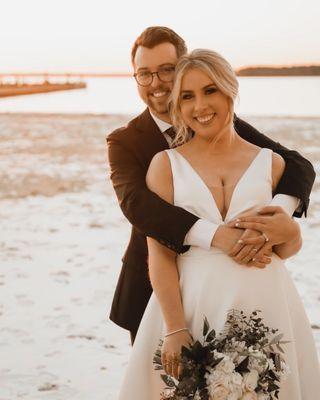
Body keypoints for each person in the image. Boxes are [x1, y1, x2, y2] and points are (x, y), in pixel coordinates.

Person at [116, 48, 320, 399]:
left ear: (230, 90)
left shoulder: (272, 164)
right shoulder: (164, 166)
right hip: (192, 306)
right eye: (187, 96)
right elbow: (160, 255)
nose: (200, 106)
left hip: (266, 301)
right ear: (178, 106)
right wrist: (175, 328)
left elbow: (283, 250)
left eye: (210, 90)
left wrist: (293, 231)